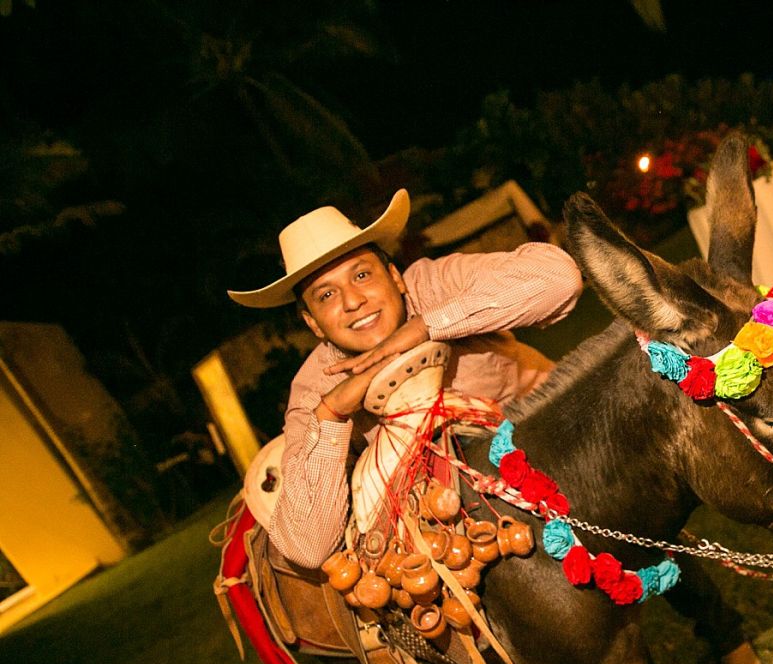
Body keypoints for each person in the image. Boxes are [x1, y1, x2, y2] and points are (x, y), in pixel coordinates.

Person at [227, 189, 582, 569]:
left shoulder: (431, 284)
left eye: (362, 275)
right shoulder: (315, 388)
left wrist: (427, 326)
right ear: (312, 322)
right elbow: (308, 548)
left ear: (395, 277)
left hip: (565, 441)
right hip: (473, 518)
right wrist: (332, 412)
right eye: (326, 295)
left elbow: (560, 277)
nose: (352, 301)